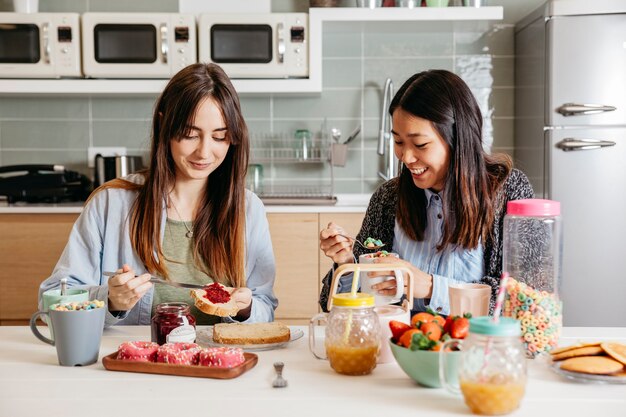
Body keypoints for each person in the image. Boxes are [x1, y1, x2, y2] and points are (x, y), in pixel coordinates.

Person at [39, 63, 278, 326]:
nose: (204, 152)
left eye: (220, 137)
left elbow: (264, 306)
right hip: (136, 360)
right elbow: (52, 299)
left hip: (220, 362)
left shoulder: (248, 209)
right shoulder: (111, 203)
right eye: (190, 135)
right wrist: (110, 300)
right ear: (165, 125)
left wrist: (245, 309)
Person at [319, 69, 534, 315]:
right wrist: (347, 264)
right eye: (399, 142)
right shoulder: (388, 198)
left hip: (475, 350)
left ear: (457, 137)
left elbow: (525, 301)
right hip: (400, 349)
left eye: (420, 144)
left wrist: (430, 287)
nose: (406, 157)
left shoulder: (508, 192)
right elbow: (337, 307)